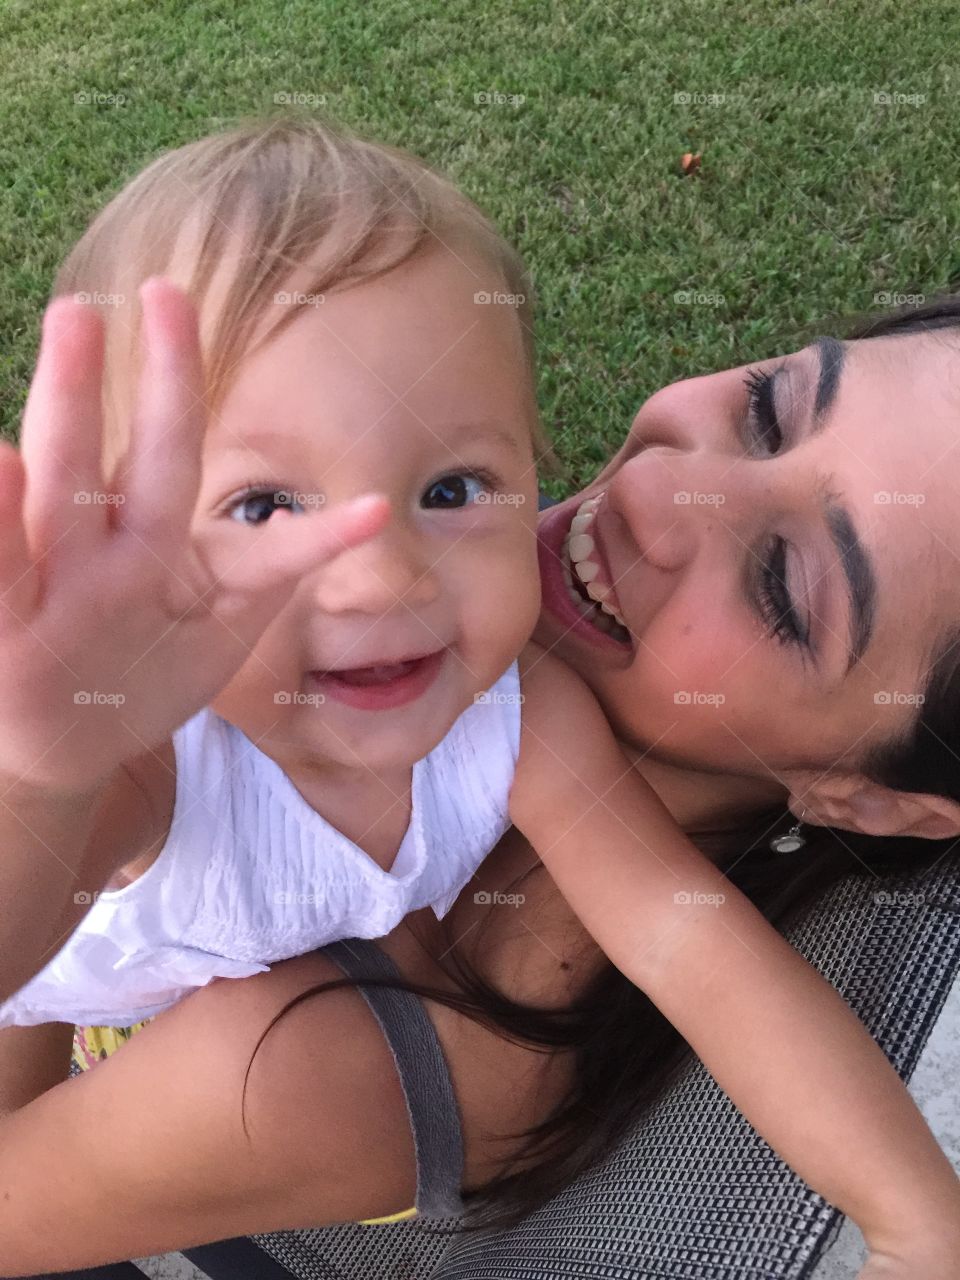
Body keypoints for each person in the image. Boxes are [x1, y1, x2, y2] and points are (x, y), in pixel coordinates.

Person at [0, 118, 958, 1279]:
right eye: (263, 508)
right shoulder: (156, 745)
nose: (384, 576)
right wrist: (43, 775)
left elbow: (689, 941)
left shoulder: (517, 721)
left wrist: (917, 1215)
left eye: (452, 485)